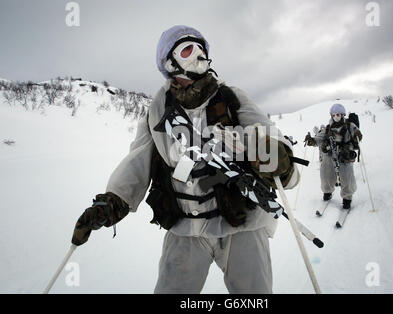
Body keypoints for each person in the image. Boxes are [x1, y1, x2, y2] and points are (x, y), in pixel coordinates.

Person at [70, 25, 299, 294]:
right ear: (169, 63)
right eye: (188, 49)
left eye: (201, 47)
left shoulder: (231, 97)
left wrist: (281, 162)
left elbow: (273, 142)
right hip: (186, 227)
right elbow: (138, 161)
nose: (199, 54)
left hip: (243, 222)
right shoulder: (158, 111)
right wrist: (114, 201)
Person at [304, 104, 362, 209]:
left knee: (347, 176)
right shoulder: (328, 128)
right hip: (330, 154)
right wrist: (311, 141)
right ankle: (327, 192)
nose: (336, 116)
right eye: (334, 115)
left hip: (345, 154)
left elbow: (357, 134)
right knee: (326, 173)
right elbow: (319, 138)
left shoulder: (349, 125)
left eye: (338, 114)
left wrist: (358, 134)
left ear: (342, 115)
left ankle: (347, 198)